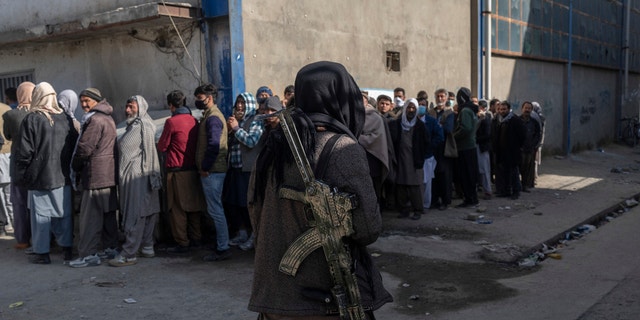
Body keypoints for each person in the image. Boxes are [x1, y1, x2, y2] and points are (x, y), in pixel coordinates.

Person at [248, 61, 392, 318]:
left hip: (274, 296)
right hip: (324, 299)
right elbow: (369, 228)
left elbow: (255, 210)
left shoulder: (274, 145)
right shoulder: (342, 149)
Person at [14, 82, 78, 264]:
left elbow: (25, 151)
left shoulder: (32, 119)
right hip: (62, 176)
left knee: (41, 217)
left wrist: (22, 174)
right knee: (63, 215)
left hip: (39, 177)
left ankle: (42, 253)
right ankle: (67, 250)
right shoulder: (65, 118)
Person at [108, 95, 161, 267]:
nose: (128, 110)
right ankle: (147, 246)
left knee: (135, 213)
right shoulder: (140, 125)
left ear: (141, 108)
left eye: (132, 106)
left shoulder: (140, 126)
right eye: (127, 106)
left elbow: (125, 149)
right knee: (147, 210)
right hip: (146, 174)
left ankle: (129, 253)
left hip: (137, 174)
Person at [69, 88, 119, 268]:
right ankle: (111, 248)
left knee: (90, 218)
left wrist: (75, 166)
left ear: (96, 101)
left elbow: (84, 149)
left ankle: (89, 254)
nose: (83, 105)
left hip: (95, 175)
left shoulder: (95, 120)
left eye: (87, 101)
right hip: (108, 174)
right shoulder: (108, 118)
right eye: (81, 101)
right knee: (108, 216)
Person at [157, 90, 206, 254]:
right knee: (193, 207)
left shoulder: (172, 122)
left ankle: (182, 242)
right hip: (193, 170)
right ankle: (197, 238)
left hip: (177, 171)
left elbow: (162, 146)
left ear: (171, 106)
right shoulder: (194, 121)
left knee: (177, 209)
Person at [194, 83, 231, 262]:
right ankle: (221, 243)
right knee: (214, 208)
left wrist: (205, 167)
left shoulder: (213, 118)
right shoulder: (209, 116)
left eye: (199, 98)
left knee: (215, 209)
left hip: (213, 171)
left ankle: (223, 247)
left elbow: (214, 145)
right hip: (213, 170)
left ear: (209, 98)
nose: (197, 102)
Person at [224, 92, 263, 251]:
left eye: (243, 103)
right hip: (235, 168)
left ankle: (254, 235)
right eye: (238, 103)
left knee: (249, 204)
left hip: (248, 170)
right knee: (235, 203)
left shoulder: (256, 120)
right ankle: (242, 232)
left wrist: (236, 128)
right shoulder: (236, 121)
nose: (240, 106)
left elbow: (251, 141)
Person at [3, 81, 35, 249]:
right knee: (37, 203)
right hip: (36, 165)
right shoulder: (40, 113)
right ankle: (42, 238)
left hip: (18, 164)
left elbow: (8, 136)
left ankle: (23, 239)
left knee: (19, 203)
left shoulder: (11, 115)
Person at [389, 98, 430, 220]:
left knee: (415, 186)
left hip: (415, 160)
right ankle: (403, 210)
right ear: (405, 108)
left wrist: (421, 156)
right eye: (409, 107)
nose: (411, 110)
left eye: (413, 108)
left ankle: (417, 210)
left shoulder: (420, 126)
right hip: (400, 159)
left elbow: (427, 143)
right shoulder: (397, 124)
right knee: (401, 185)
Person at [358, 91, 391, 203]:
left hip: (374, 156)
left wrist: (357, 138)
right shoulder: (353, 116)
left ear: (367, 102)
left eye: (362, 100)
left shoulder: (376, 117)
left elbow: (376, 138)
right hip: (359, 158)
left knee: (375, 187)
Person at [492, 101, 525, 199]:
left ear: (508, 109)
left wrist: (517, 147)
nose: (502, 111)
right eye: (500, 109)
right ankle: (505, 191)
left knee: (514, 173)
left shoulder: (514, 120)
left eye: (504, 109)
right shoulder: (499, 120)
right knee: (504, 173)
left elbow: (522, 135)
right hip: (502, 152)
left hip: (512, 152)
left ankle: (516, 192)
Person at [452, 88, 480, 207]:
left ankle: (469, 199)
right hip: (470, 147)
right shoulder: (471, 110)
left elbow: (466, 128)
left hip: (464, 147)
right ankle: (472, 198)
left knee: (466, 175)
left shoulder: (465, 111)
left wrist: (453, 137)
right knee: (471, 174)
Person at [429, 88, 455, 211]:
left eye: (442, 97)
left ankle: (445, 201)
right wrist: (438, 126)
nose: (440, 99)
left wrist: (437, 127)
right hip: (433, 148)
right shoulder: (431, 112)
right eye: (438, 96)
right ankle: (434, 200)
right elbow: (427, 127)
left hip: (445, 148)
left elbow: (448, 129)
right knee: (433, 175)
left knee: (445, 175)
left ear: (446, 98)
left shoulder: (449, 113)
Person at [418, 97, 444, 211]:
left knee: (426, 182)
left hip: (427, 156)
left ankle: (425, 204)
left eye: (423, 104)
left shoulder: (431, 121)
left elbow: (440, 136)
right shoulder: (410, 120)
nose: (420, 107)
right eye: (418, 104)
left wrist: (429, 146)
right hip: (414, 156)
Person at [519, 101, 542, 192]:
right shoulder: (517, 120)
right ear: (522, 109)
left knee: (527, 168)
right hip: (519, 149)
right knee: (518, 167)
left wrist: (534, 145)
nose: (527, 110)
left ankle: (524, 185)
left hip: (529, 149)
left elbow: (537, 134)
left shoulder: (534, 122)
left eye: (529, 108)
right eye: (526, 108)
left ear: (531, 110)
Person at [476, 100, 493, 200]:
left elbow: (487, 135)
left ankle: (488, 190)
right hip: (477, 146)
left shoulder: (486, 119)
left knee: (485, 169)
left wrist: (475, 139)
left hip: (482, 147)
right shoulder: (478, 118)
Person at [0, 101, 12, 237]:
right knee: (10, 191)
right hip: (9, 152)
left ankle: (6, 223)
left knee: (1, 194)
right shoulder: (7, 108)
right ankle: (14, 222)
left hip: (2, 151)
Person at [531, 101, 545, 184]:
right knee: (534, 160)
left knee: (533, 160)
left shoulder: (536, 117)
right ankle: (534, 176)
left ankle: (533, 177)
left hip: (536, 141)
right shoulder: (540, 117)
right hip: (538, 141)